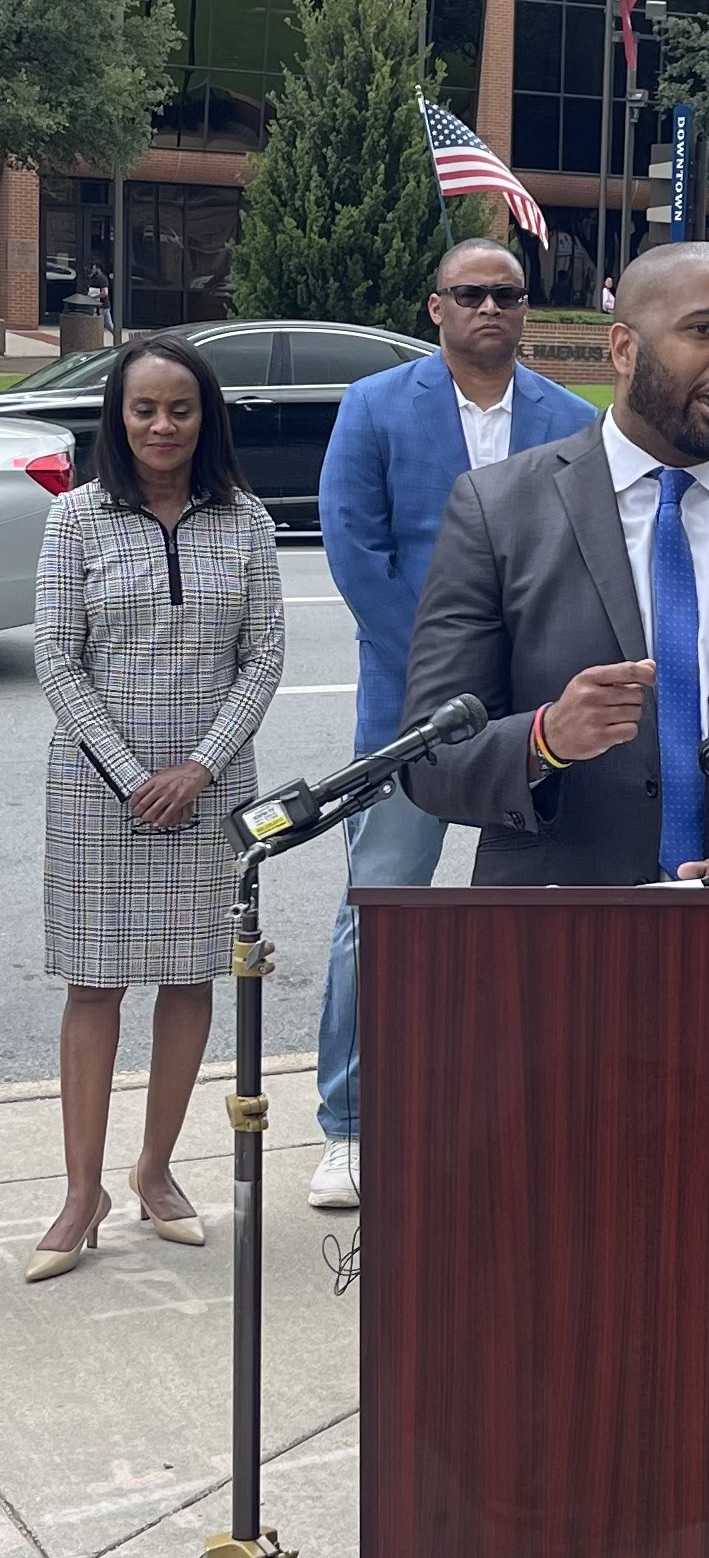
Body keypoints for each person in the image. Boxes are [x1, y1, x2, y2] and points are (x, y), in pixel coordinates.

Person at [402, 242, 709, 887]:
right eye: (704, 330)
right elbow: (431, 759)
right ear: (625, 349)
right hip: (558, 922)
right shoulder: (498, 510)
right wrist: (545, 741)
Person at [313, 237, 595, 1209]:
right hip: (409, 709)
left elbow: (586, 562)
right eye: (469, 293)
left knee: (541, 912)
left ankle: (526, 1108)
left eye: (505, 294)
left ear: (525, 308)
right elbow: (356, 554)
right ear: (435, 307)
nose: (488, 308)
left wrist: (527, 688)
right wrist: (447, 679)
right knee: (380, 908)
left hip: (537, 715)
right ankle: (347, 1125)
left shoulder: (574, 421)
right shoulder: (373, 407)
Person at [29, 335, 285, 1283]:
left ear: (205, 418)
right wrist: (135, 773)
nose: (163, 426)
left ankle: (155, 1170)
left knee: (190, 979)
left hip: (209, 795)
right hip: (99, 793)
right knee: (93, 986)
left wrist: (200, 769)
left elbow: (263, 656)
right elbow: (57, 659)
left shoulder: (246, 521)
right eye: (144, 409)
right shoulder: (76, 519)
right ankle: (80, 1191)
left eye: (181, 409)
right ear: (119, 418)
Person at [88, 260, 114, 335]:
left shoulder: (103, 279)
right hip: (95, 305)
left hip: (103, 305)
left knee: (108, 324)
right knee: (95, 324)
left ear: (98, 269)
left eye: (94, 268)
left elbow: (105, 293)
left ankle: (116, 336)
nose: (92, 270)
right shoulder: (92, 278)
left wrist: (94, 296)